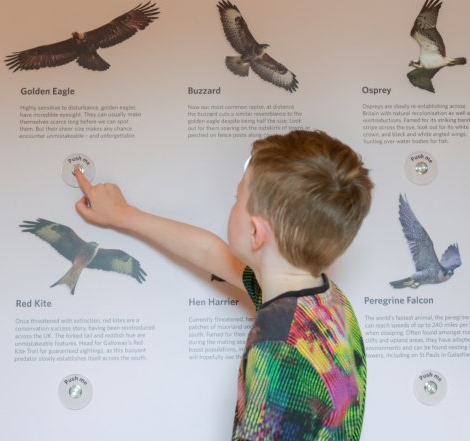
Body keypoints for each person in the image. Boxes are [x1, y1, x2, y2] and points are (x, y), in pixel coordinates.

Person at [73, 129, 373, 441]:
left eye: (236, 199)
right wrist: (123, 215)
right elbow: (211, 253)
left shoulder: (277, 345)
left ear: (256, 233)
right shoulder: (326, 301)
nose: (232, 205)